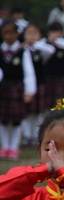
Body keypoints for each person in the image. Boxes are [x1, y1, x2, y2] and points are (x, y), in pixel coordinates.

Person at [0, 20, 36, 160]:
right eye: (5, 33)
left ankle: (14, 147)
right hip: (2, 88)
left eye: (11, 33)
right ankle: (5, 147)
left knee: (16, 120)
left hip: (17, 88)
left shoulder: (23, 51)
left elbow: (29, 72)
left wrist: (29, 90)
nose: (8, 36)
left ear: (17, 34)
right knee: (2, 119)